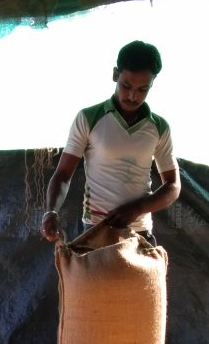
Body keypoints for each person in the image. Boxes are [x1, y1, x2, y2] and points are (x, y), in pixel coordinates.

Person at [40, 40, 180, 245]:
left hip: (140, 234)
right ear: (115, 74)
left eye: (143, 89)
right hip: (96, 230)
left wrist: (137, 209)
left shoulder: (159, 127)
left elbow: (173, 185)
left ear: (152, 84)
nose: (133, 96)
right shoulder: (89, 118)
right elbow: (62, 175)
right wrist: (51, 210)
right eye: (126, 86)